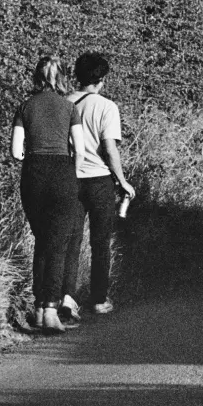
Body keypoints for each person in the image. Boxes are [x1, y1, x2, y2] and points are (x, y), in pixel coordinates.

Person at [11, 56, 83, 334]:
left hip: (33, 175)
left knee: (42, 240)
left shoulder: (25, 107)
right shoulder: (69, 108)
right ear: (62, 77)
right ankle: (51, 310)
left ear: (37, 77)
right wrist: (72, 175)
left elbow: (16, 152)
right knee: (58, 243)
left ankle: (39, 308)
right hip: (61, 173)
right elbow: (81, 148)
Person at [68, 51, 135, 317]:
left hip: (70, 178)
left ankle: (66, 297)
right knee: (100, 241)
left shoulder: (65, 103)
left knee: (71, 241)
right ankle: (98, 298)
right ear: (102, 80)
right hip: (98, 180)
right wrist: (122, 180)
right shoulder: (107, 107)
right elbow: (109, 149)